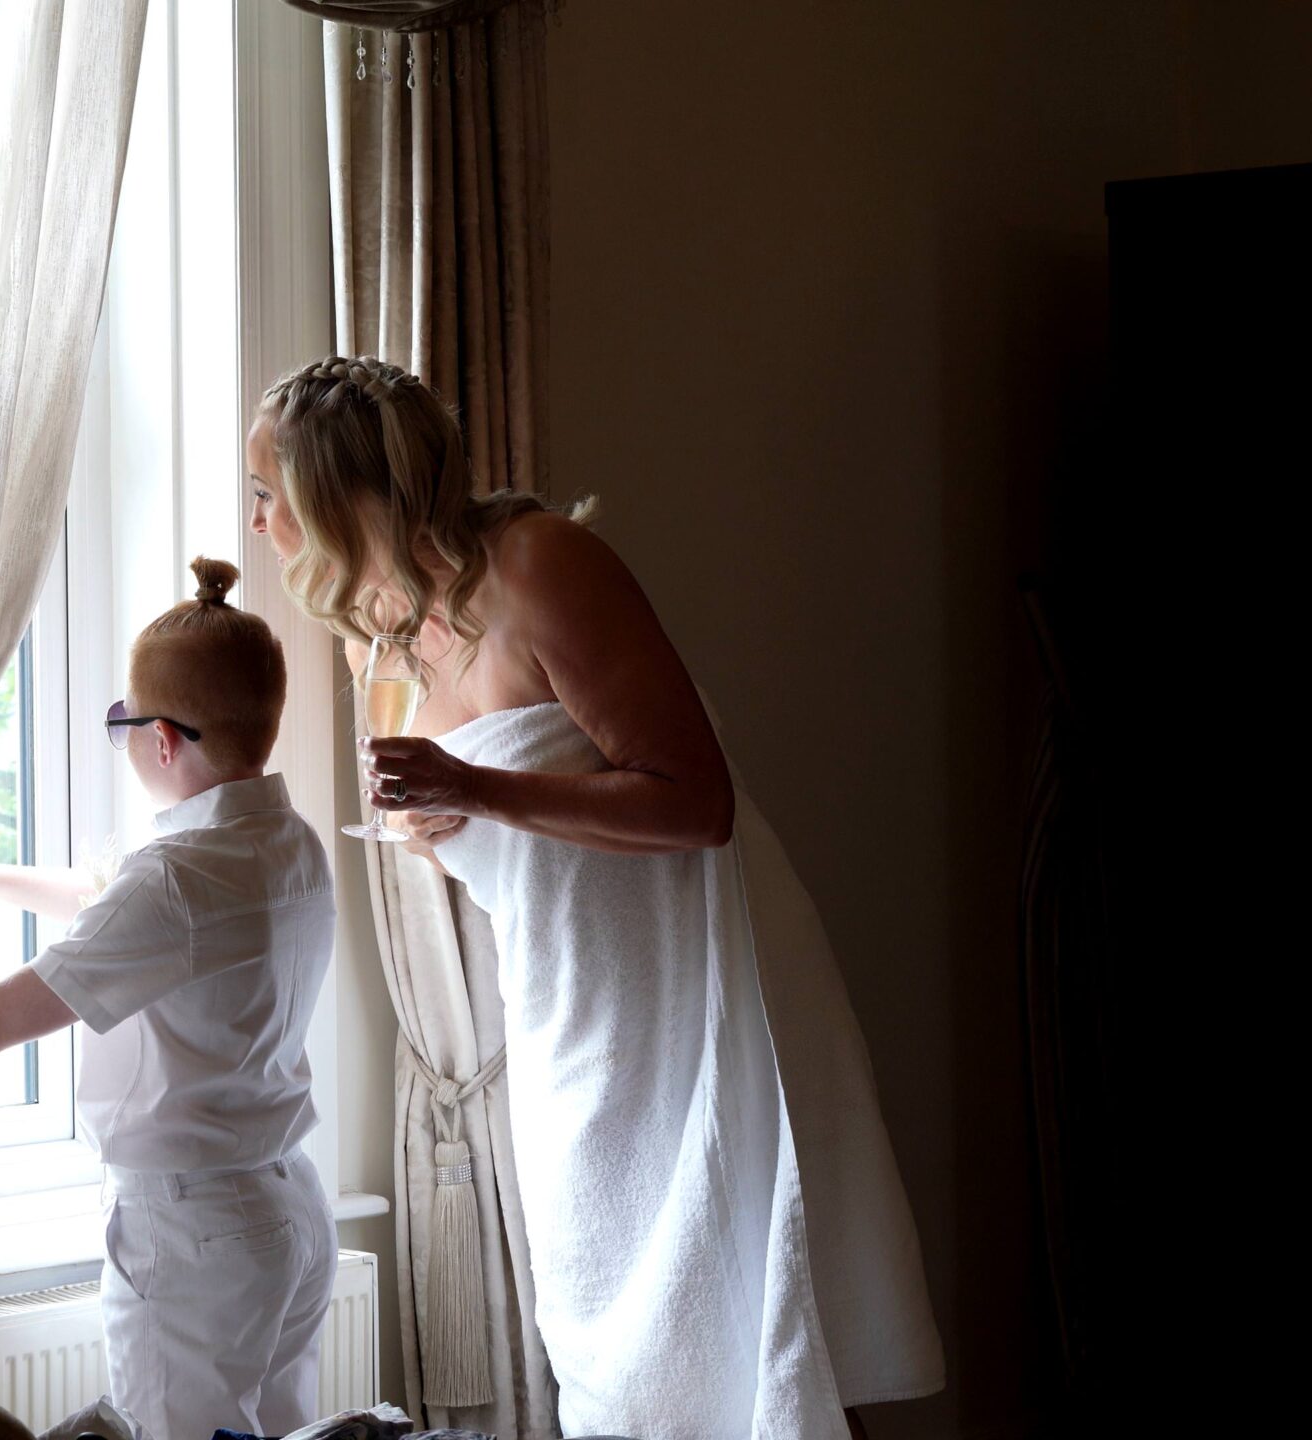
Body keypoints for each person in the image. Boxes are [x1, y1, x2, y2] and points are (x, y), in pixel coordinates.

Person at [247, 356, 943, 1440]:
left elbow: (692, 800)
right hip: (571, 1009)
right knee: (613, 1335)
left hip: (699, 983)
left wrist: (469, 786)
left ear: (339, 496)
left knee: (750, 1305)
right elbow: (495, 844)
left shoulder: (539, 565)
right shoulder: (377, 631)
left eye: (268, 496)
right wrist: (437, 831)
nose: (255, 525)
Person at [0, 557, 337, 1440]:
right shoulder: (287, 842)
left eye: (123, 722)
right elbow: (134, 918)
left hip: (196, 1234)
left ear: (161, 740)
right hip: (288, 1214)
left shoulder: (178, 880)